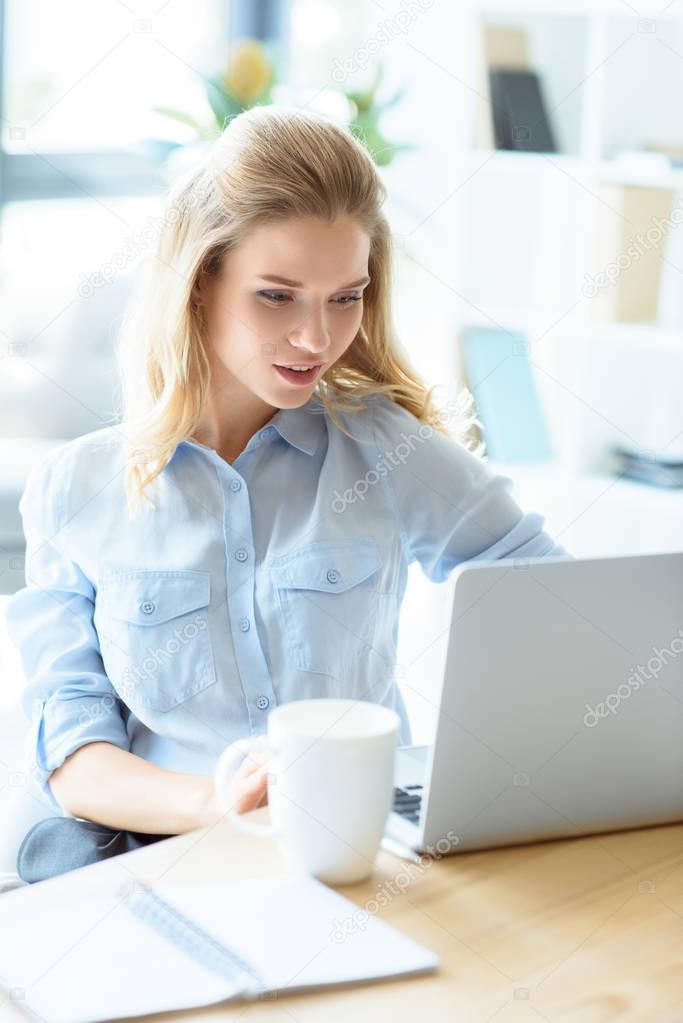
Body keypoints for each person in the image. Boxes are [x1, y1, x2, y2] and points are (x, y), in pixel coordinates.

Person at [3, 105, 566, 884]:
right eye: (277, 296)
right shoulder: (78, 489)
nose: (315, 337)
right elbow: (72, 755)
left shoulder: (384, 448)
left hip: (360, 868)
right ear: (200, 282)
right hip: (170, 866)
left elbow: (549, 596)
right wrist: (220, 802)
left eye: (345, 297)